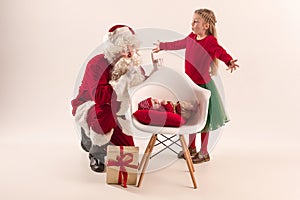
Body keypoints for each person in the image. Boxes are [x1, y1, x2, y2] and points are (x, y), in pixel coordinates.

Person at [152, 8, 239, 164]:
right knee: (192, 116)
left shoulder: (210, 41)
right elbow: (178, 43)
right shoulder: (191, 37)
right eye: (192, 21)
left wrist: (229, 60)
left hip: (203, 86)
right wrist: (163, 46)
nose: (192, 24)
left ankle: (204, 152)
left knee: (204, 120)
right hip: (190, 85)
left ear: (206, 25)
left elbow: (220, 51)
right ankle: (191, 148)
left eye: (196, 21)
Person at [71, 25, 149, 172]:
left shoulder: (129, 63)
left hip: (117, 111)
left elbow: (140, 81)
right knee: (105, 113)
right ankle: (96, 152)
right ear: (114, 48)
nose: (130, 53)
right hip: (91, 106)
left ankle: (98, 139)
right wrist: (122, 82)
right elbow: (99, 97)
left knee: (128, 152)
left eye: (132, 47)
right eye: (125, 48)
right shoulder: (97, 63)